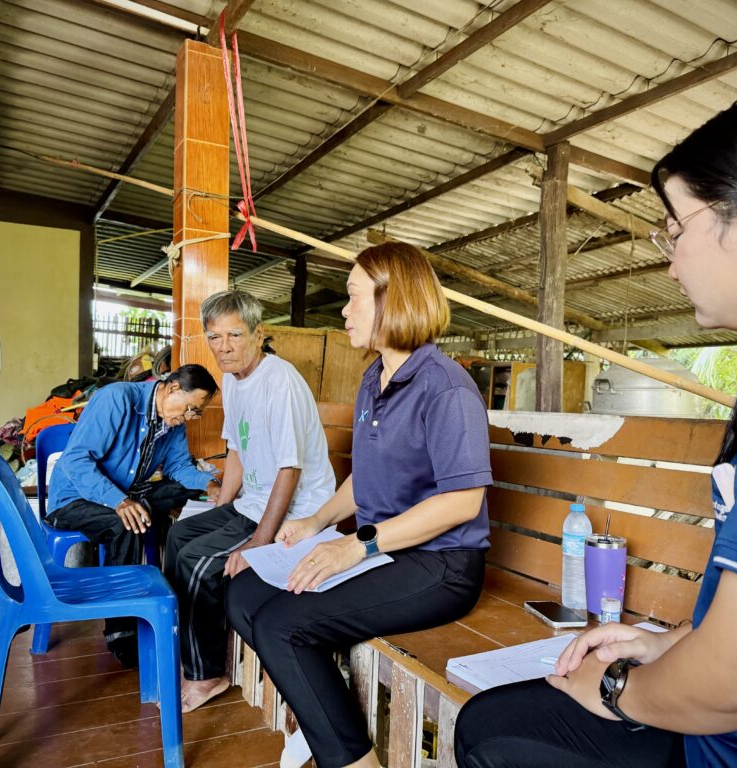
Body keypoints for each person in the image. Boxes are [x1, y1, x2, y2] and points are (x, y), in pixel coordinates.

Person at [454, 95, 737, 767]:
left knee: (496, 731)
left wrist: (619, 689)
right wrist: (672, 641)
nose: (672, 262)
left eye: (676, 228)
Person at [225, 243, 493, 768]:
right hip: (385, 552)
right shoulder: (374, 378)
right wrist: (315, 521)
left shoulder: (446, 387)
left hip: (441, 565)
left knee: (282, 625)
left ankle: (352, 758)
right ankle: (322, 714)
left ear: (393, 300)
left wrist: (357, 545)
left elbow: (463, 502)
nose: (344, 310)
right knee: (243, 594)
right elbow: (365, 476)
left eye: (353, 297)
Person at [166, 290, 336, 713]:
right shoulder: (231, 379)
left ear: (259, 334)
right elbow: (236, 452)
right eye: (214, 336)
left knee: (198, 562)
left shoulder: (279, 381)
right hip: (254, 502)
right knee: (178, 537)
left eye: (235, 335)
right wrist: (221, 508)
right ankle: (188, 649)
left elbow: (289, 470)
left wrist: (259, 543)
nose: (223, 347)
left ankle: (207, 675)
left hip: (297, 511)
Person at [47, 364, 220, 668]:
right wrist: (119, 501)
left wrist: (210, 485)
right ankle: (121, 632)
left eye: (196, 413)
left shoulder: (172, 422)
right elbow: (76, 460)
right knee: (127, 522)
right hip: (74, 498)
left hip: (127, 491)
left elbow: (178, 468)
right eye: (191, 409)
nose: (190, 417)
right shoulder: (117, 399)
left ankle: (165, 584)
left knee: (182, 491)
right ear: (173, 388)